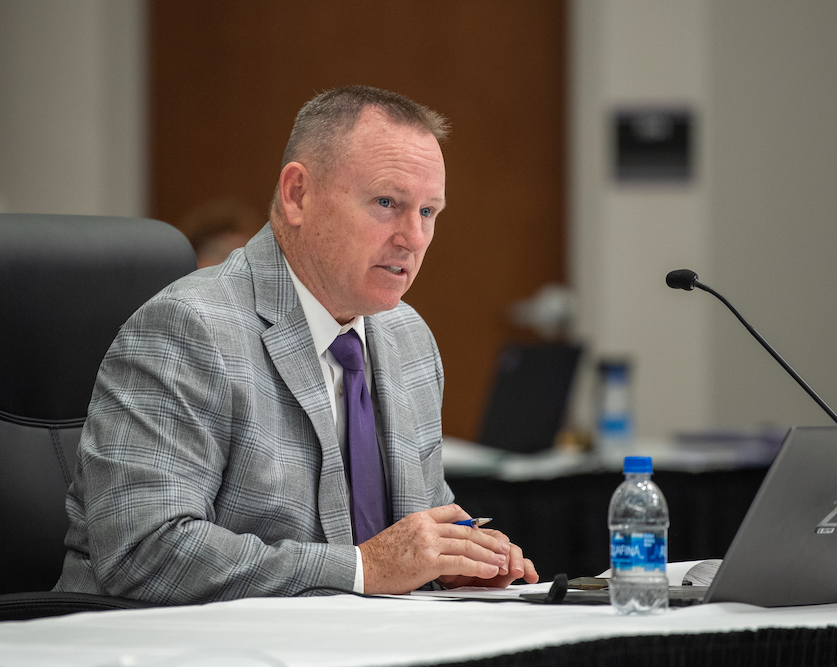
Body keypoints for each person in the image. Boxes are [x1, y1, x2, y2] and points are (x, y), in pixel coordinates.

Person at [55, 85, 538, 604]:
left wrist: (453, 560)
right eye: (386, 203)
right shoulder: (190, 327)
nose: (413, 238)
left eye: (427, 212)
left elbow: (411, 527)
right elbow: (145, 551)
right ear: (297, 195)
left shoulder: (407, 337)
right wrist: (360, 568)